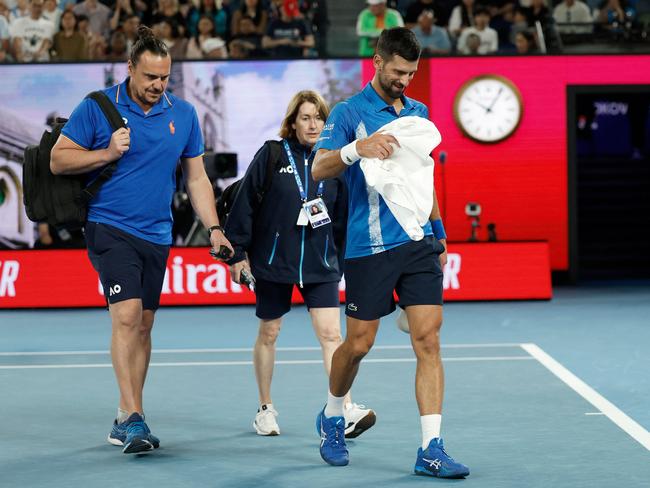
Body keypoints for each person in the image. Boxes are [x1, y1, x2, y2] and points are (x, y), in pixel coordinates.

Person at [50, 25, 233, 455]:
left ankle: (124, 414)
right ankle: (134, 418)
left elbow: (196, 177)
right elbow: (59, 159)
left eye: (165, 77)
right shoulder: (97, 107)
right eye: (150, 76)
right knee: (128, 317)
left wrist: (215, 228)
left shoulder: (183, 114)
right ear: (130, 68)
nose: (158, 85)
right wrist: (107, 153)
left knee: (145, 325)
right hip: (109, 226)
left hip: (156, 233)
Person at [311, 27, 469, 478]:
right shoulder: (347, 113)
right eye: (398, 71)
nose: (405, 81)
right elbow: (321, 166)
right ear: (377, 61)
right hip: (369, 246)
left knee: (429, 339)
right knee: (358, 344)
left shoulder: (418, 112)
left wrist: (438, 232)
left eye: (412, 73)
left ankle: (431, 448)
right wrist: (355, 149)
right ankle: (333, 415)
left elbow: (423, 179)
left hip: (418, 242)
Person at [224, 90, 376, 439]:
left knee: (332, 335)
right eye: (305, 117)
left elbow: (343, 216)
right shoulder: (273, 154)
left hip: (320, 263)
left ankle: (344, 408)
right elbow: (245, 202)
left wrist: (344, 258)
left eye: (319, 117)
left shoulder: (335, 160)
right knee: (270, 332)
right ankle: (265, 408)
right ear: (292, 122)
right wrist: (237, 253)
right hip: (275, 260)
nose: (313, 124)